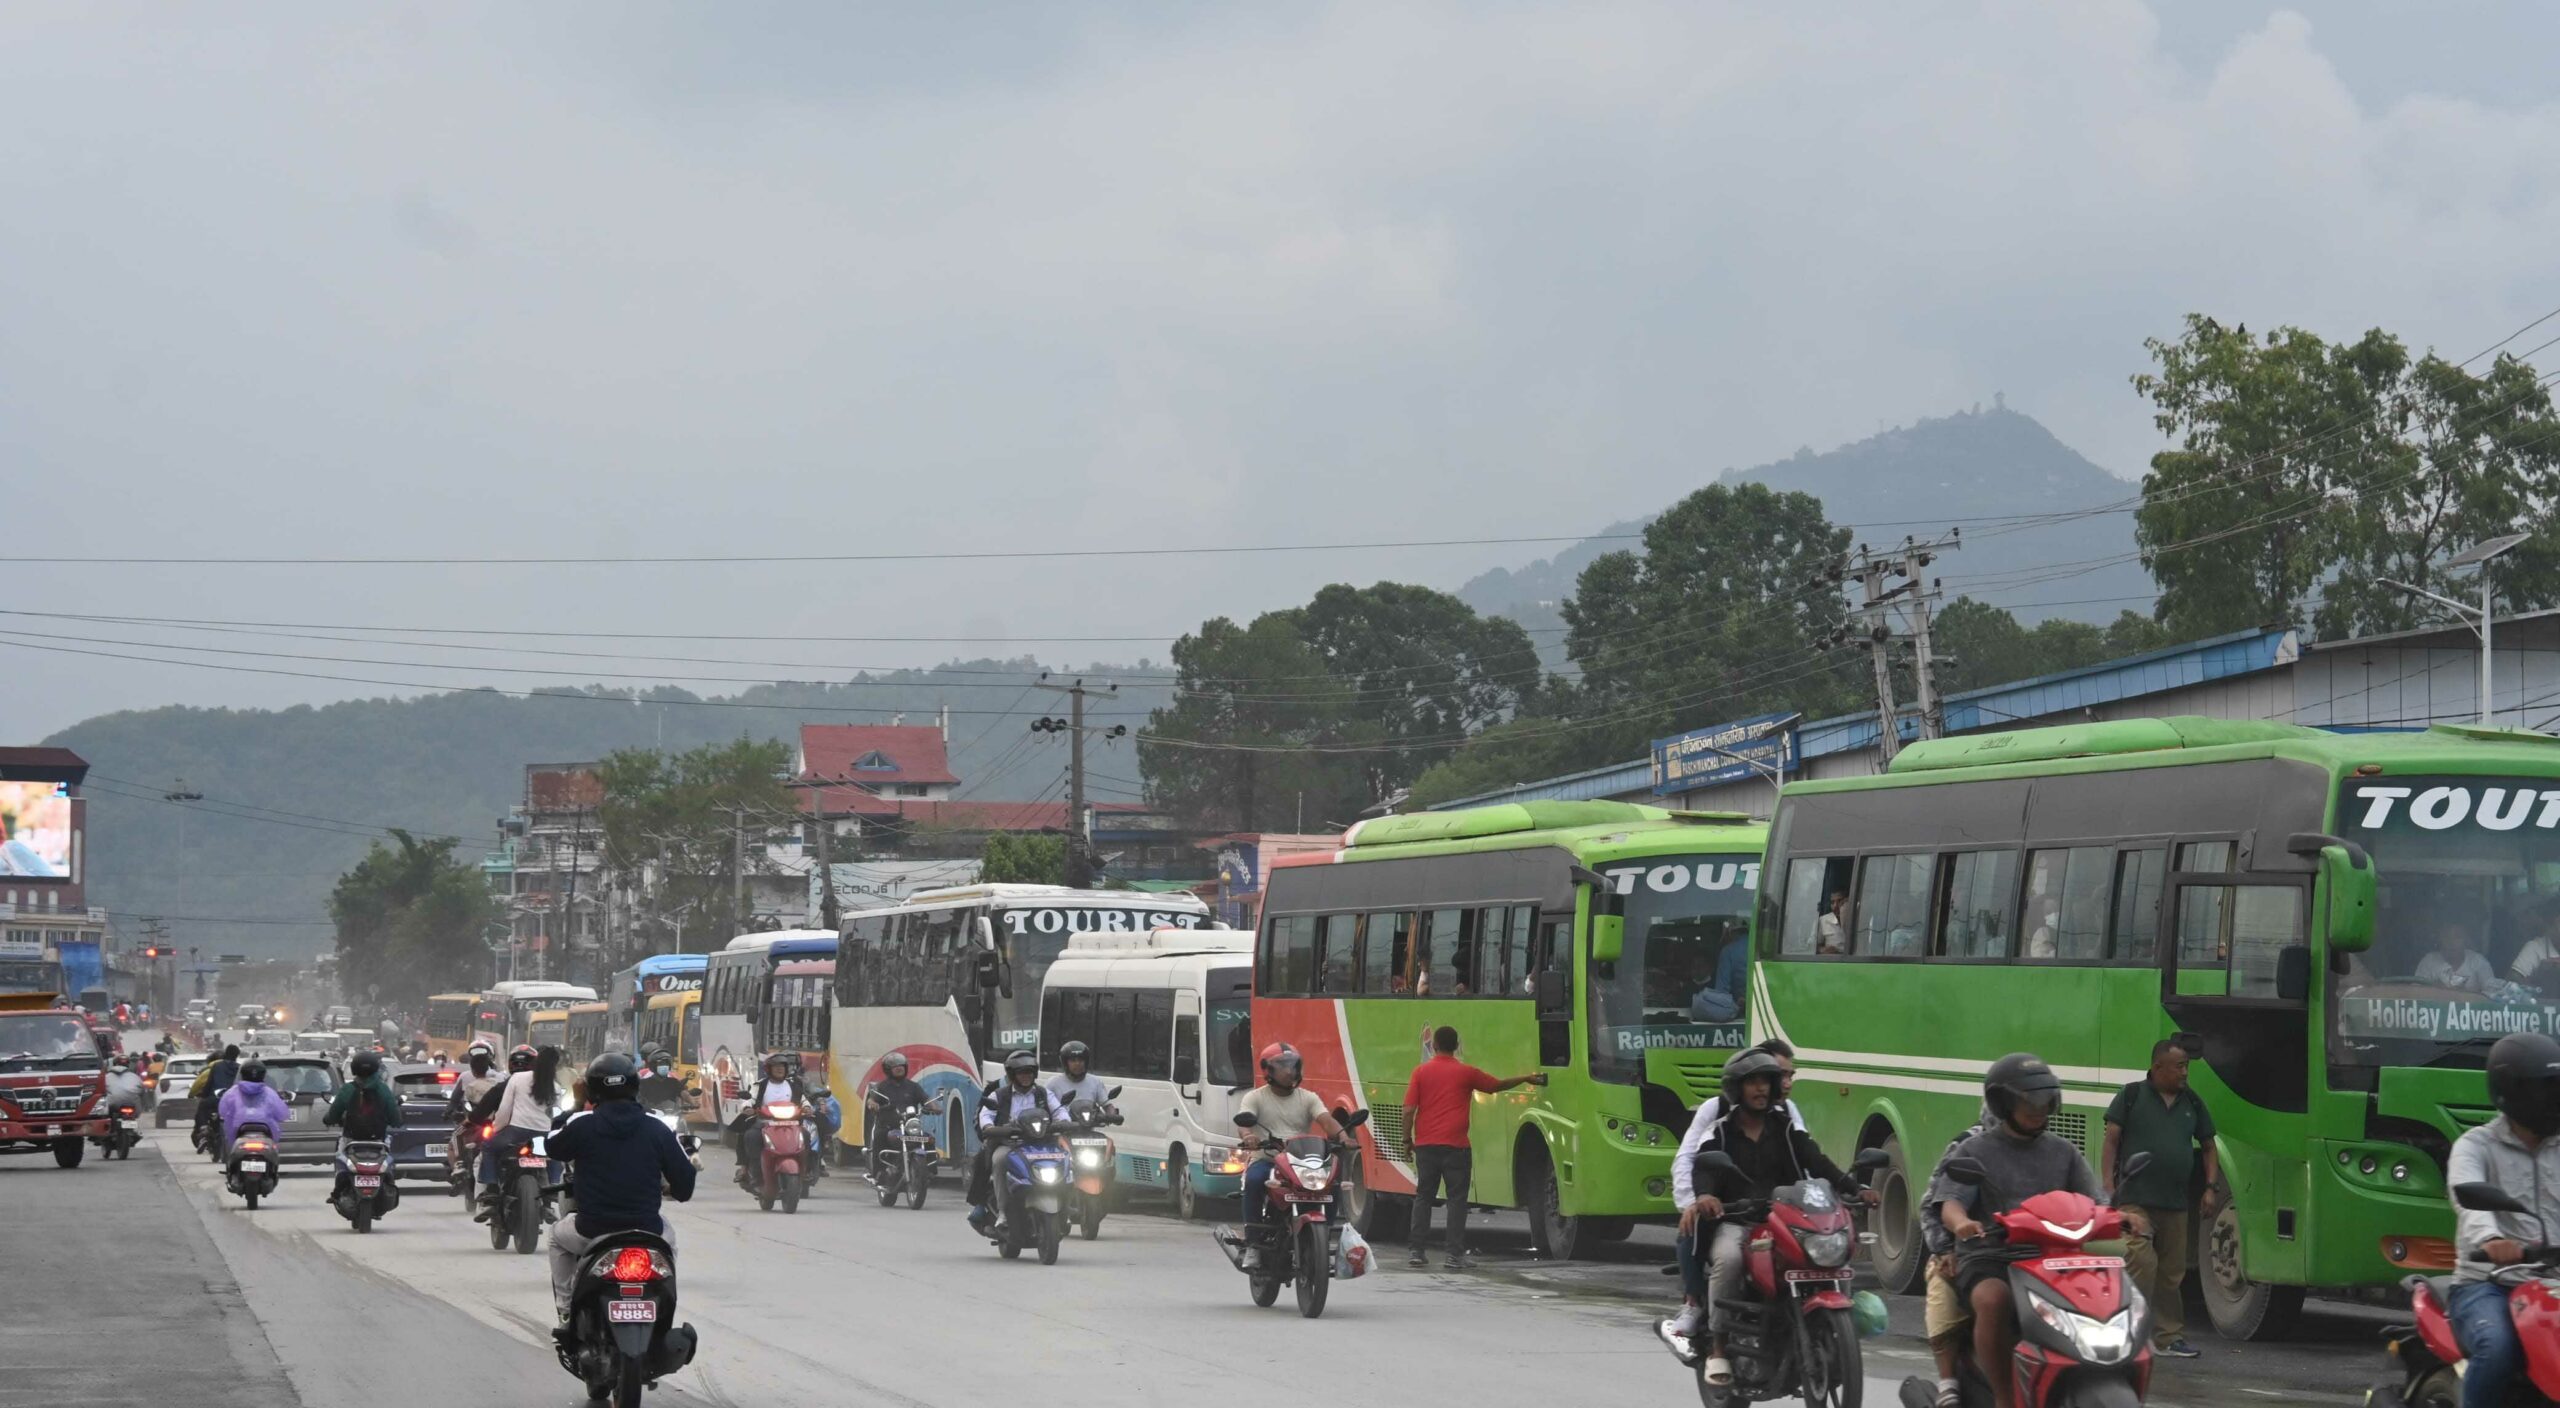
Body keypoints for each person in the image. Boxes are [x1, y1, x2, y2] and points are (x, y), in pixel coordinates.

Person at [1669, 1049, 1872, 1386]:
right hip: (1739, 1222)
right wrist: (1704, 1195)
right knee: (1729, 1260)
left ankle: (1828, 1332)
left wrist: (1854, 1188)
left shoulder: (1787, 1127)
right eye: (1752, 1082)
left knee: (1826, 1257)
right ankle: (1719, 1347)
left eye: (1766, 1081)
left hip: (1784, 1220)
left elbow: (1817, 1160)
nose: (1761, 1089)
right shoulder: (1720, 1130)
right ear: (1737, 1087)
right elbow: (1704, 1164)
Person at [1931, 1054, 2101, 1408]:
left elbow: (2097, 1200)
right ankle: (2006, 1399)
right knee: (1993, 1299)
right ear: (2003, 1103)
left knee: (2108, 1295)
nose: (2041, 1109)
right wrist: (1961, 1223)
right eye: (2031, 1101)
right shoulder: (1973, 1150)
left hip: (2054, 1258)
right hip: (1991, 1256)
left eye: (2047, 1100)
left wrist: (2125, 1216)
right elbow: (1950, 1202)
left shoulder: (2063, 1151)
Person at [544, 1053, 696, 1351]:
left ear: (591, 1090)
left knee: (556, 1239)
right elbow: (685, 1185)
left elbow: (552, 1146)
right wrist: (673, 1189)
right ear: (635, 1086)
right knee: (670, 1244)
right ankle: (664, 1312)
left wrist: (574, 1108)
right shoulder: (657, 1129)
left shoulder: (582, 1125)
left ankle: (565, 1311)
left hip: (590, 1229)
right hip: (647, 1231)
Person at [2445, 1032, 2560, 1408]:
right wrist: (2492, 1241)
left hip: (2551, 1284)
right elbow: (2469, 1196)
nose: (2555, 1097)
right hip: (2489, 1286)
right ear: (2514, 1091)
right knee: (2497, 1349)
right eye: (2547, 1089)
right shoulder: (2476, 1146)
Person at [2102, 1039, 2222, 1359]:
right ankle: (2128, 1329)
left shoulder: (2192, 1103)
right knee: (2142, 1262)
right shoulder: (2131, 1096)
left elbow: (2209, 1146)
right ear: (2158, 1068)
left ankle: (2170, 1337)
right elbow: (2111, 1140)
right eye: (2179, 1066)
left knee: (2172, 1273)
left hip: (2176, 1203)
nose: (2185, 1072)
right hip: (2134, 1200)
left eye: (2187, 1066)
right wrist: (2106, 1185)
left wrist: (2210, 1187)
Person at [1403, 1026, 1545, 1269]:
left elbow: (1408, 1110)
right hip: (1456, 1147)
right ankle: (1453, 1256)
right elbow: (1496, 1086)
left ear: (1434, 1046)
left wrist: (1407, 1141)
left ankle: (1417, 1251)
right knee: (1457, 1201)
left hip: (1426, 1147)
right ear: (1456, 1046)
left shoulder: (1420, 1072)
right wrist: (1525, 1078)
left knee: (1423, 1197)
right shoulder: (1465, 1073)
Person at [1236, 1042, 1348, 1269]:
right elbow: (1244, 1123)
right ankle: (1254, 1245)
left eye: (1293, 1065)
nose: (1290, 1071)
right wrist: (1248, 1137)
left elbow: (1326, 1120)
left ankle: (1322, 1239)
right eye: (1283, 1066)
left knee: (1332, 1182)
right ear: (1268, 1070)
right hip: (1267, 1160)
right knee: (1255, 1181)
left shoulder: (1308, 1098)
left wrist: (1344, 1136)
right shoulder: (1255, 1097)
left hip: (1301, 1163)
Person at [1920, 1104, 1999, 1408]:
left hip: (2030, 1253)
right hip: (1974, 1252)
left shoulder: (2052, 1150)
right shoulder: (1967, 1147)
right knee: (1943, 1285)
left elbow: (2080, 1197)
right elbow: (1932, 1204)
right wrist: (1944, 1248)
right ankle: (1948, 1382)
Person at [968, 1050, 1060, 1231]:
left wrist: (1064, 1122)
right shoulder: (998, 1094)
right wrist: (989, 1127)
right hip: (1009, 1145)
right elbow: (986, 1114)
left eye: (1029, 1072)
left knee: (1066, 1157)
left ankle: (1068, 1202)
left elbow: (1059, 1111)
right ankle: (1002, 1212)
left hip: (1040, 1145)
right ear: (1012, 1074)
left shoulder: (1044, 1094)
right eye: (1021, 1073)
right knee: (999, 1160)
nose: (1026, 1076)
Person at [476, 1045, 562, 1220]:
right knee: (555, 1155)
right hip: (542, 1136)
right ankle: (552, 1190)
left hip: (515, 1133)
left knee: (488, 1148)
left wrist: (496, 1129)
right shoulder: (556, 1086)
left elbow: (505, 1109)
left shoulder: (517, 1078)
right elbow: (556, 1115)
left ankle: (491, 1190)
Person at [322, 1049, 405, 1200]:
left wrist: (328, 1120)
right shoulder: (384, 1090)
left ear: (354, 1069)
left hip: (350, 1139)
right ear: (376, 1068)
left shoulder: (347, 1090)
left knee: (339, 1155)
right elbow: (395, 1119)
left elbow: (333, 1115)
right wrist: (396, 1122)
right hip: (379, 1140)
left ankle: (338, 1191)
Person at [732, 1052, 807, 1188]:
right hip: (765, 1123)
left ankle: (806, 1169)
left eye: (782, 1066)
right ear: (768, 1069)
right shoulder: (760, 1085)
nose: (780, 1069)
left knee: (806, 1135)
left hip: (791, 1123)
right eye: (776, 1066)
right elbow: (751, 1099)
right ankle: (752, 1170)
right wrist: (747, 1107)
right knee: (751, 1136)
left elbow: (804, 1100)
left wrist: (808, 1108)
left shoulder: (793, 1085)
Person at [864, 1052, 930, 1175]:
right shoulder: (882, 1087)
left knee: (928, 1139)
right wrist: (872, 1104)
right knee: (879, 1137)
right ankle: (878, 1172)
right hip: (888, 1125)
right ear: (888, 1070)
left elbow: (926, 1100)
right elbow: (872, 1099)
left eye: (901, 1065)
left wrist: (934, 1106)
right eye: (895, 1066)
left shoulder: (913, 1087)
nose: (899, 1068)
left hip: (909, 1127)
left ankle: (930, 1169)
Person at [217, 1060, 292, 1158]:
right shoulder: (270, 1093)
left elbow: (222, 1111)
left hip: (237, 1131)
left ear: (242, 1074)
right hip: (267, 1131)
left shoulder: (231, 1093)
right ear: (263, 1075)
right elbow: (283, 1115)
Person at [2417, 921, 2498, 994]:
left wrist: (2464, 994)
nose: (2451, 942)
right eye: (2446, 936)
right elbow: (2416, 992)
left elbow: (2493, 993)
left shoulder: (2478, 961)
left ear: (2466, 940)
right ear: (2439, 938)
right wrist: (2436, 988)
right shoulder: (2428, 961)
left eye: (2458, 937)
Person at [191, 1043, 243, 1147]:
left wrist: (204, 1094)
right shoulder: (240, 1068)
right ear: (237, 1056)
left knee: (202, 1106)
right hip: (233, 1101)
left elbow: (209, 1083)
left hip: (215, 1099)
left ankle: (204, 1128)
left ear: (225, 1054)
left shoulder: (217, 1066)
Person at [1691, 937, 1748, 1023]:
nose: (1697, 969)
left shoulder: (1717, 989)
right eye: (1694, 966)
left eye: (1701, 965)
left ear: (1711, 967)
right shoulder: (1686, 989)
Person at [1045, 1041, 1110, 1109]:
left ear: (1086, 1062)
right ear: (1065, 1063)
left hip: (1089, 1118)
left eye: (1081, 1060)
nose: (1077, 1064)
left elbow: (1107, 1105)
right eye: (1073, 1060)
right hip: (1063, 1119)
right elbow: (1042, 1107)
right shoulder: (1053, 1083)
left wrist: (1112, 1115)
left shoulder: (1095, 1082)